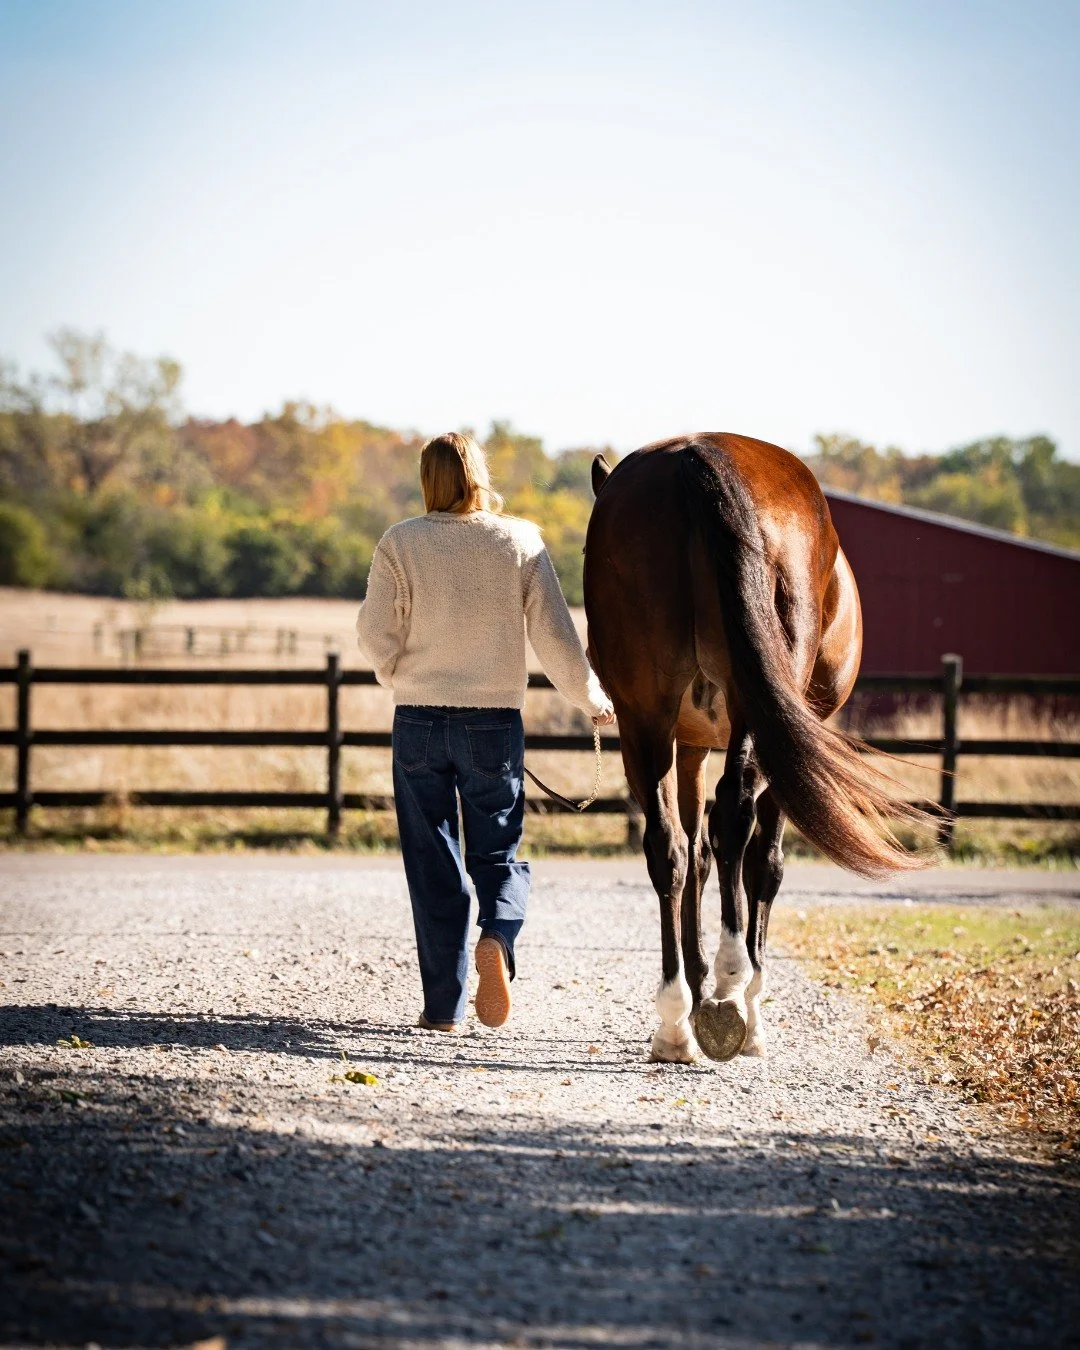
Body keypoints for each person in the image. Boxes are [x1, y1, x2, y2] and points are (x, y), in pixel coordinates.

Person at [356, 431, 614, 1032]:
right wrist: (591, 698)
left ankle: (443, 1008)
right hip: (493, 724)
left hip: (418, 717)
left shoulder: (400, 542)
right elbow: (556, 636)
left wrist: (395, 671)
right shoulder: (519, 540)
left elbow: (374, 630)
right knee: (498, 850)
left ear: (429, 480)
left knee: (431, 861)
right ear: (479, 475)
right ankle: (497, 935)